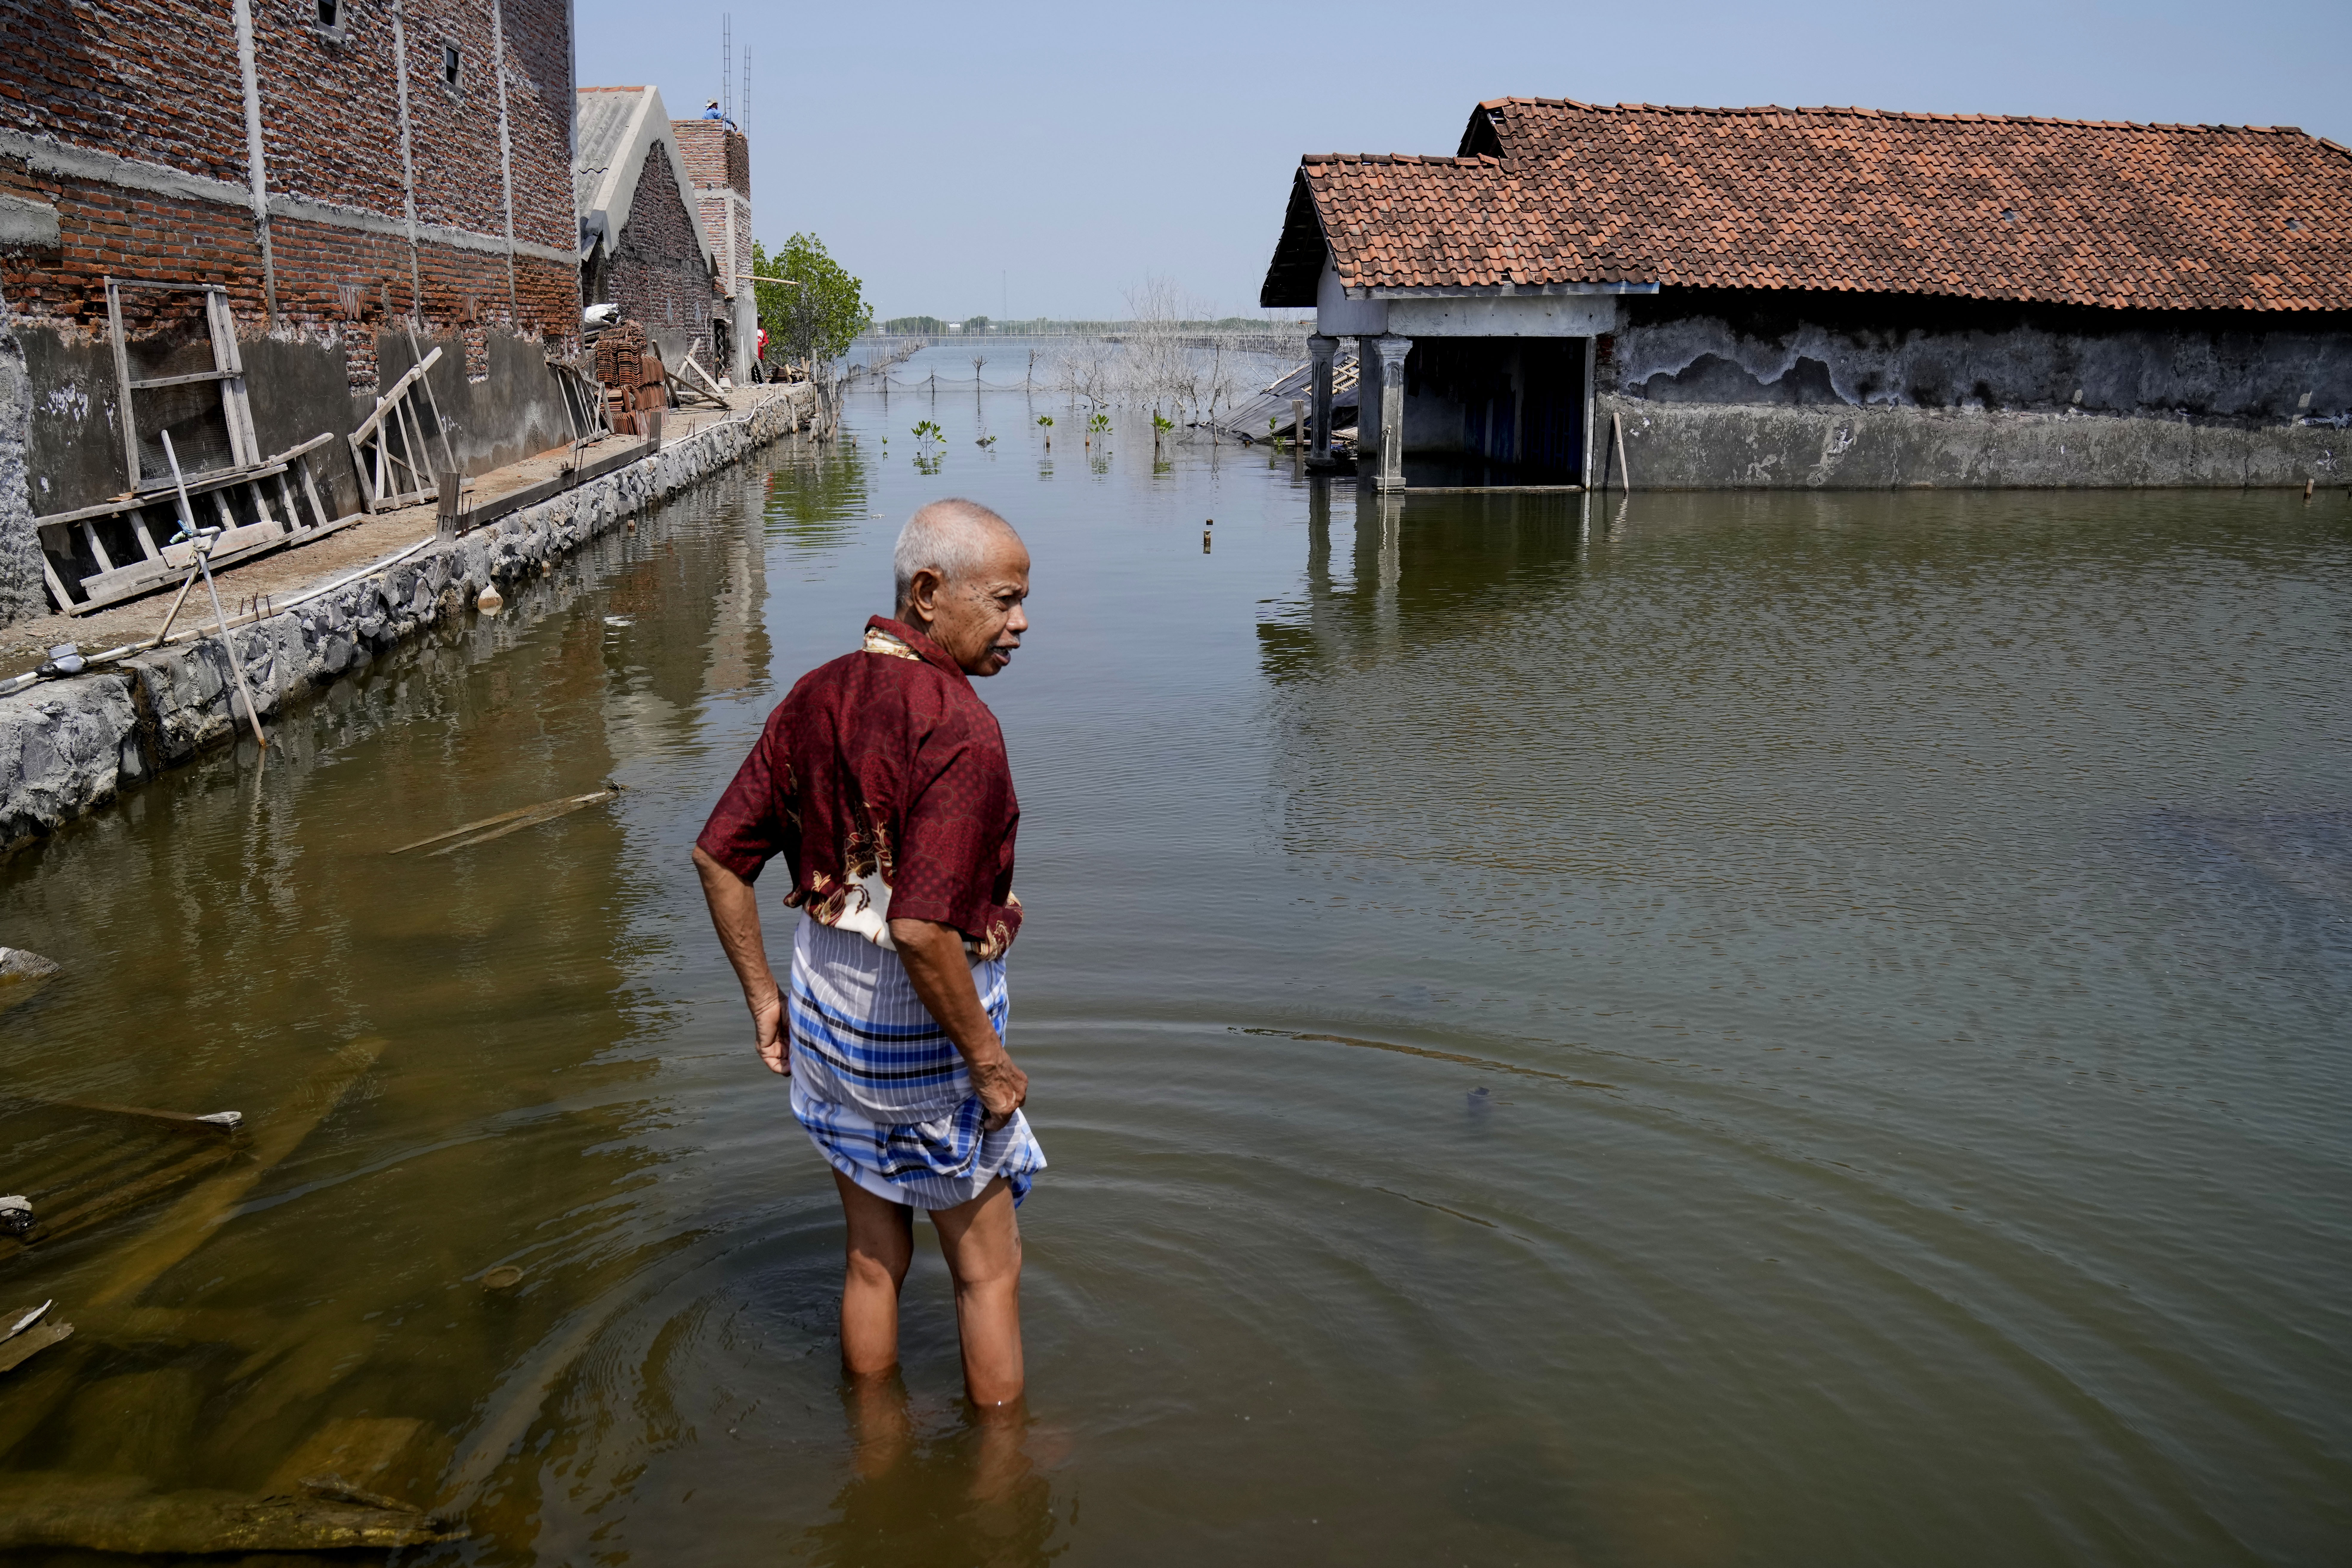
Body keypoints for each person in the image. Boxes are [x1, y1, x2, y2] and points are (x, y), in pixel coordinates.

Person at [693, 499, 1041, 1412]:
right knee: (988, 1269)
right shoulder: (959, 727)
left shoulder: (818, 693)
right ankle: (1003, 1485)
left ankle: (877, 1459)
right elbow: (924, 931)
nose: (1022, 623)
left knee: (873, 1256)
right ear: (928, 593)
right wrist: (991, 1065)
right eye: (1005, 600)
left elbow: (719, 857)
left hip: (829, 1018)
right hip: (922, 1034)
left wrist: (764, 997)